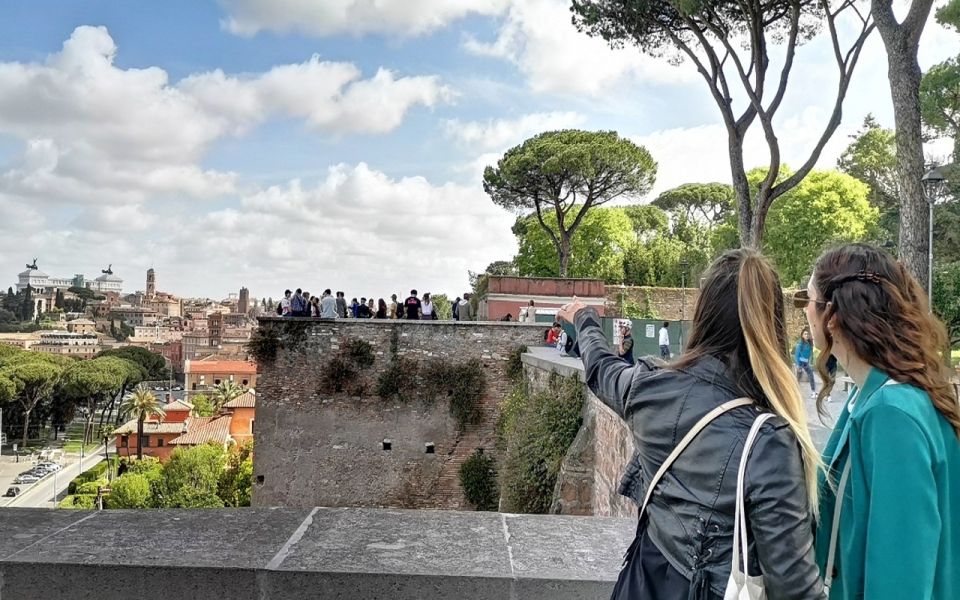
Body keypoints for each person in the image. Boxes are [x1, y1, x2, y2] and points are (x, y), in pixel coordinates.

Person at [557, 249, 824, 600]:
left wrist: (586, 320)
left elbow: (600, 369)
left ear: (704, 314)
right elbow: (795, 589)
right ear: (772, 326)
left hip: (643, 583)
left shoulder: (648, 387)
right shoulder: (769, 442)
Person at [799, 243, 960, 600]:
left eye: (807, 299)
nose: (804, 312)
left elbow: (899, 582)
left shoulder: (891, 412)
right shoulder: (875, 395)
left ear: (833, 315)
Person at [794, 329, 816, 398]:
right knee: (798, 378)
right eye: (805, 334)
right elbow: (797, 355)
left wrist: (810, 361)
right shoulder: (800, 344)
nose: (807, 335)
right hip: (800, 363)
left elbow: (810, 354)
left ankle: (813, 392)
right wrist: (798, 365)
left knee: (811, 376)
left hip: (806, 363)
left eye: (807, 334)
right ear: (802, 336)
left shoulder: (809, 344)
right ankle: (795, 393)